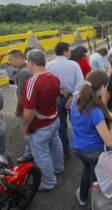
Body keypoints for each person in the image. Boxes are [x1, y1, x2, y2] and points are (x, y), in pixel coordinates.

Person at [70, 71, 112, 206]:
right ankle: (96, 200)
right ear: (102, 87)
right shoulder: (95, 111)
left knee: (87, 169)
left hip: (77, 146)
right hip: (93, 151)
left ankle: (82, 196)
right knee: (95, 177)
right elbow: (109, 141)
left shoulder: (77, 97)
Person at [22, 49, 64, 191]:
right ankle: (58, 168)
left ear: (32, 63)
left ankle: (49, 181)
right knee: (55, 143)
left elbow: (29, 111)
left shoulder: (32, 82)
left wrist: (25, 127)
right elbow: (58, 97)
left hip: (40, 125)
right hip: (54, 119)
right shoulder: (54, 77)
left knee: (41, 154)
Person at [46, 42, 84, 155]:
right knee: (77, 123)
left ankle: (64, 149)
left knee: (61, 125)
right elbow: (80, 82)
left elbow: (47, 84)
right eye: (69, 51)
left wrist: (57, 91)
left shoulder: (48, 65)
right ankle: (79, 147)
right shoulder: (74, 64)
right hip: (73, 98)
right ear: (65, 51)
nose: (70, 53)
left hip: (57, 99)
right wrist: (72, 97)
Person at [7, 50, 33, 163]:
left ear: (18, 58)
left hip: (26, 108)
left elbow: (22, 94)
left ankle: (29, 154)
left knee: (26, 132)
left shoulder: (23, 73)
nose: (9, 62)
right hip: (32, 106)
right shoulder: (28, 67)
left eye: (10, 59)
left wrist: (18, 110)